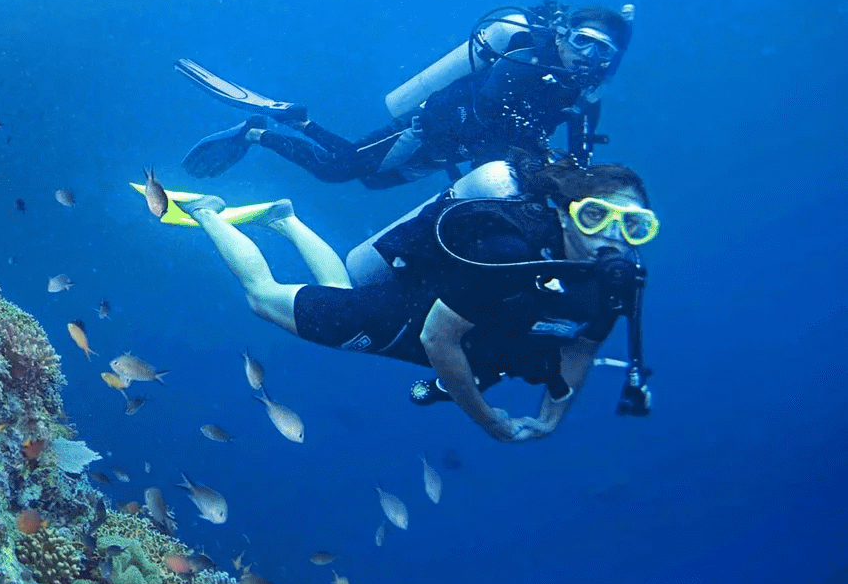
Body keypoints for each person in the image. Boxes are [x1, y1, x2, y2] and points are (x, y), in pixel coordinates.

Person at [156, 152, 657, 441]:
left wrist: (550, 419)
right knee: (262, 300)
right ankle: (206, 211)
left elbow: (581, 347)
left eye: (633, 225)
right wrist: (486, 419)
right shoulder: (510, 254)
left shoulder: (614, 285)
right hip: (408, 320)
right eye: (595, 216)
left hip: (455, 334)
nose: (610, 237)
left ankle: (285, 219)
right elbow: (440, 340)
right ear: (568, 213)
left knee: (341, 292)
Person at [180, 0, 634, 189]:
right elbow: (489, 114)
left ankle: (299, 120)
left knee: (368, 174)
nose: (588, 55)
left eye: (602, 50)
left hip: (452, 149)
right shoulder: (521, 61)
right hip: (429, 129)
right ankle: (261, 129)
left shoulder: (583, 94)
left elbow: (581, 154)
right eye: (582, 40)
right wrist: (531, 161)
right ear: (562, 34)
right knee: (338, 171)